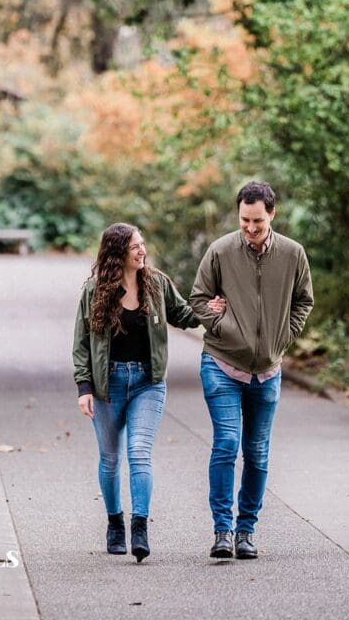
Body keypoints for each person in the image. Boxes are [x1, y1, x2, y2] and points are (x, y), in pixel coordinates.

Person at [189, 181, 314, 561]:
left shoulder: (293, 254)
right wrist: (225, 326)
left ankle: (246, 531)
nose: (250, 228)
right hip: (222, 363)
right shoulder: (221, 251)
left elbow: (303, 301)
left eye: (257, 221)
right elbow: (197, 299)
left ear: (272, 214)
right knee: (227, 444)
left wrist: (283, 336)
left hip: (268, 370)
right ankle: (222, 531)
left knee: (257, 453)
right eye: (244, 220)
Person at [73, 222, 200, 562]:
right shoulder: (94, 291)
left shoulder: (157, 285)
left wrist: (212, 310)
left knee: (139, 453)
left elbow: (184, 315)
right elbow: (82, 344)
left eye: (143, 244)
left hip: (148, 382)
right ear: (118, 254)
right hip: (107, 386)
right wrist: (84, 387)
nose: (143, 251)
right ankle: (114, 522)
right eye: (135, 247)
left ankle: (139, 527)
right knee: (110, 459)